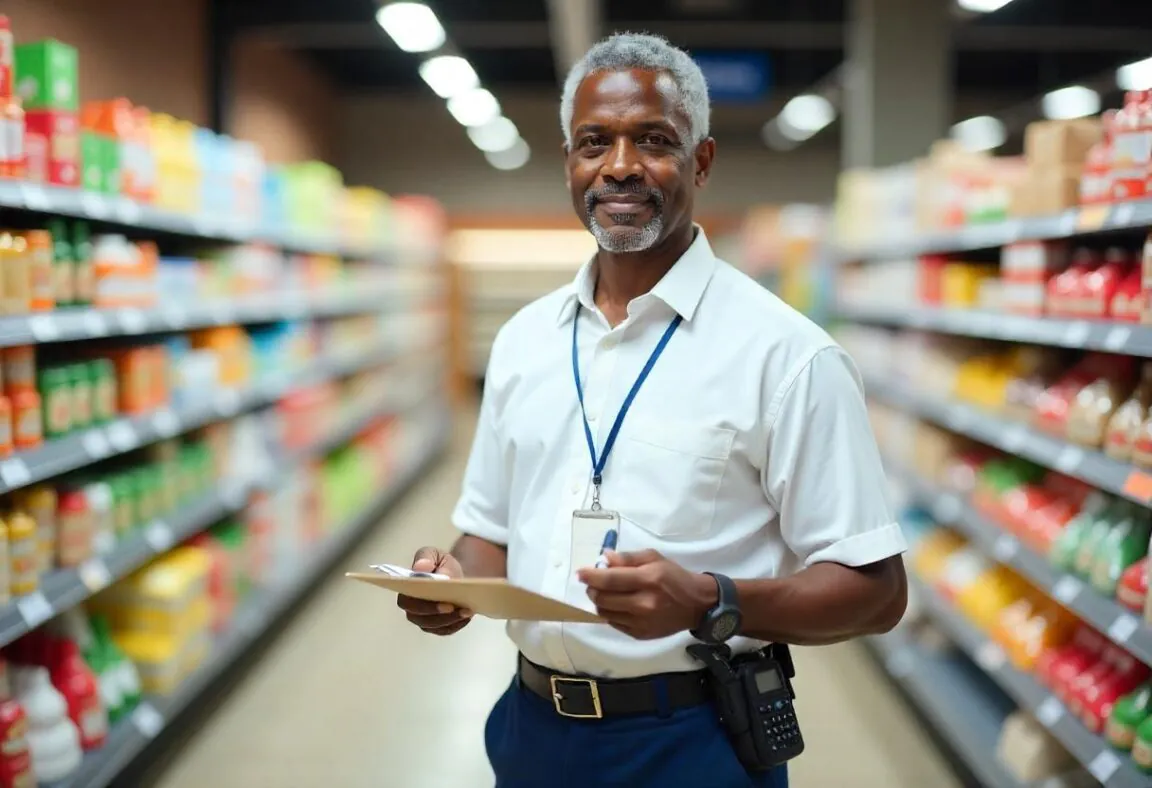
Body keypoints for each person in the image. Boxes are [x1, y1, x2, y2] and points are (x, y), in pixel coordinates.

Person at [397, 32, 908, 788]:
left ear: (700, 161)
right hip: (530, 732)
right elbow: (492, 531)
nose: (620, 166)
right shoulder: (524, 340)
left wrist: (710, 599)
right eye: (594, 142)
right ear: (569, 161)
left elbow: (876, 592)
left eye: (654, 140)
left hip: (693, 740)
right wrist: (452, 580)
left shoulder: (788, 356)